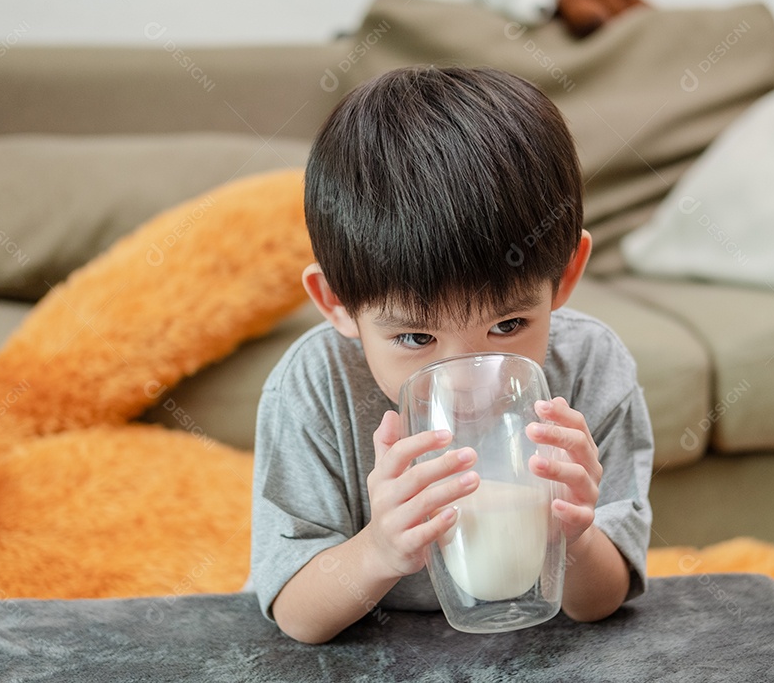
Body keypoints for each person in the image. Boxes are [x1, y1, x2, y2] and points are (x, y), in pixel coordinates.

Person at [249, 65, 654, 644]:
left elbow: (603, 602)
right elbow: (296, 613)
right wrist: (380, 549)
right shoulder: (317, 384)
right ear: (336, 302)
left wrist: (574, 535)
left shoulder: (590, 364)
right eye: (416, 339)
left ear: (565, 276)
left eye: (509, 324)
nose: (469, 384)